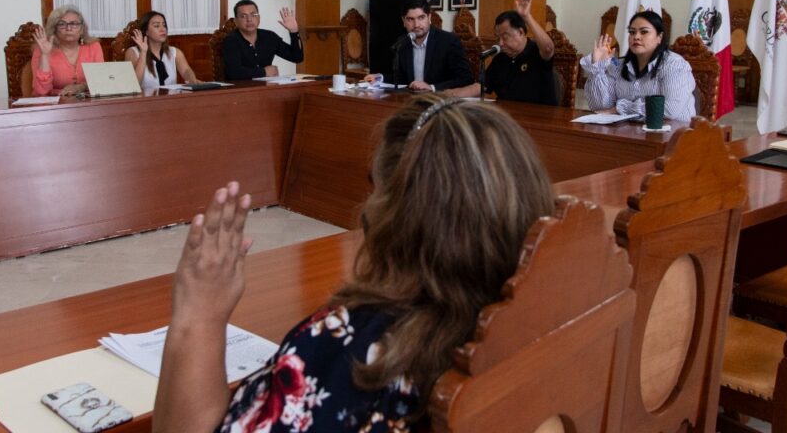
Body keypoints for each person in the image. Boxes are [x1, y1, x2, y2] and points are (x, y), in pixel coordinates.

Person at [152, 94, 556, 432]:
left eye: (374, 187)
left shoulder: (353, 348)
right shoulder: (547, 316)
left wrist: (199, 313)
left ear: (395, 211)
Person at [580, 10, 696, 120]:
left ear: (659, 37)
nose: (636, 37)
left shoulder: (674, 65)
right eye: (632, 32)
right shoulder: (618, 65)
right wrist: (598, 68)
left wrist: (619, 108)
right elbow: (601, 108)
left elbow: (670, 110)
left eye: (644, 32)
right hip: (631, 132)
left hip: (675, 134)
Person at [448, 0, 556, 105]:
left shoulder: (536, 52)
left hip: (541, 118)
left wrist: (526, 17)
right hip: (509, 118)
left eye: (505, 37)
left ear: (520, 32)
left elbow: (548, 48)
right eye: (498, 38)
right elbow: (481, 86)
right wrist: (450, 94)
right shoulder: (501, 59)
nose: (501, 43)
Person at [369, 0, 473, 92]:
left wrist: (431, 87)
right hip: (412, 101)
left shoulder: (448, 41)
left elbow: (466, 79)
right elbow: (403, 78)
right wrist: (380, 78)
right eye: (410, 19)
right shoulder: (403, 42)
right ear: (403, 21)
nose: (416, 25)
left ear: (429, 17)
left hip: (441, 101)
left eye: (421, 18)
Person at [31, 6, 105, 96]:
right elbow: (41, 92)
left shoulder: (93, 47)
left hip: (88, 103)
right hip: (56, 105)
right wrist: (45, 55)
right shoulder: (42, 50)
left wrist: (81, 87)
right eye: (62, 24)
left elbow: (100, 82)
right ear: (54, 29)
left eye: (74, 24)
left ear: (82, 29)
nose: (68, 28)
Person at [222, 0, 303, 79]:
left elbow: (297, 57)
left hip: (264, 87)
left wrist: (294, 32)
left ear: (259, 17)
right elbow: (233, 72)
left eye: (253, 15)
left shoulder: (269, 37)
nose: (249, 19)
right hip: (240, 89)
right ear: (236, 21)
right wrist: (264, 72)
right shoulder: (231, 41)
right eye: (243, 16)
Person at [124, 10, 200, 91]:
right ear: (146, 31)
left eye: (164, 25)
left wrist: (191, 79)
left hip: (170, 100)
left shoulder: (174, 52)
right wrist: (143, 52)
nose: (163, 29)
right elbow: (135, 83)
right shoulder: (132, 52)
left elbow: (186, 71)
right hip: (145, 100)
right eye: (156, 26)